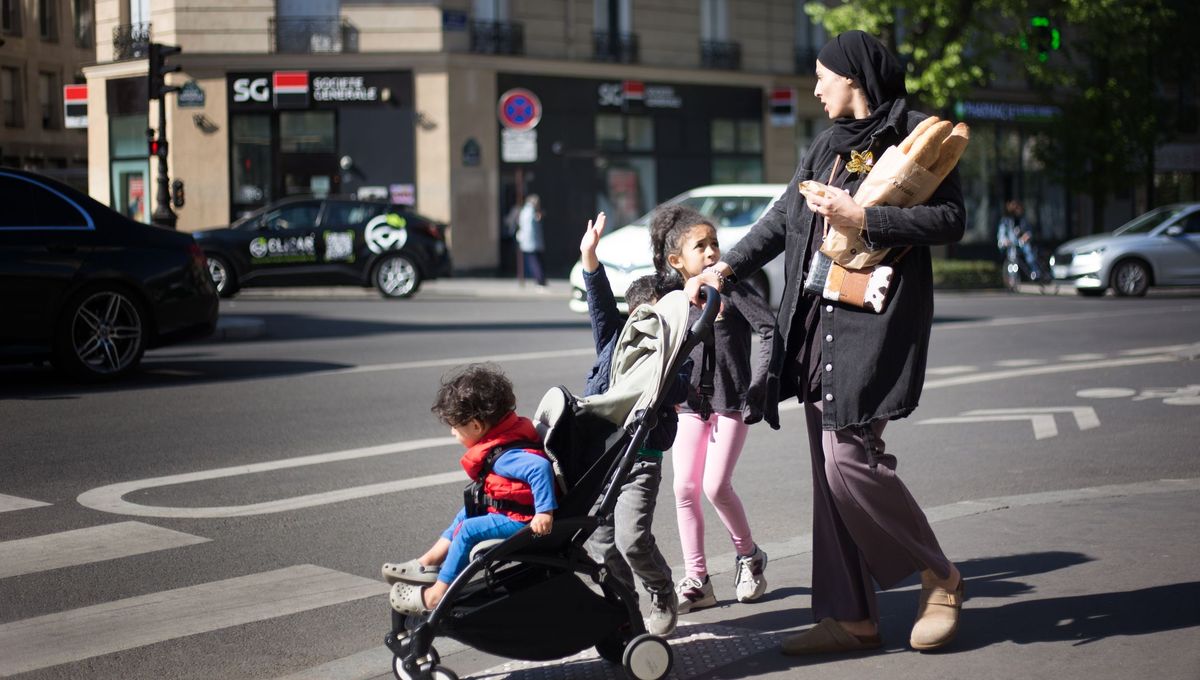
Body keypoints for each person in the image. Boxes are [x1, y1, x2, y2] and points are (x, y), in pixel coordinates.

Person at [685, 30, 966, 655]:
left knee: (850, 461)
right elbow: (784, 218)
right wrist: (723, 270)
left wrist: (864, 216)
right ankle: (852, 616)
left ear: (853, 78)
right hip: (815, 322)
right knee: (827, 473)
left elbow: (951, 219)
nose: (815, 89)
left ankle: (940, 577)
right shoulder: (825, 145)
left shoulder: (915, 132)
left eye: (822, 77)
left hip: (874, 320)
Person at [650, 204, 779, 614]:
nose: (710, 252)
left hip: (732, 403)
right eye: (699, 246)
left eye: (714, 244)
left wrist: (760, 382)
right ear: (677, 261)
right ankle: (698, 580)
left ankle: (749, 556)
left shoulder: (734, 287)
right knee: (684, 489)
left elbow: (768, 330)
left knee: (715, 486)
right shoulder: (674, 300)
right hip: (689, 407)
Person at [578, 212, 692, 637]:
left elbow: (681, 388)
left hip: (641, 458)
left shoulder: (674, 354)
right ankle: (626, 607)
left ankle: (662, 591)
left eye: (656, 323)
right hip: (602, 460)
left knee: (630, 537)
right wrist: (590, 255)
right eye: (640, 321)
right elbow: (598, 302)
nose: (646, 330)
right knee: (599, 543)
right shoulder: (613, 339)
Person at [383, 363, 557, 615]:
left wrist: (544, 512)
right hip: (511, 512)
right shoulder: (505, 436)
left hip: (523, 521)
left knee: (467, 529)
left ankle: (435, 596)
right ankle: (427, 563)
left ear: (476, 426)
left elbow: (538, 467)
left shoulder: (506, 456)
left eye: (455, 426)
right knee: (465, 514)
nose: (453, 432)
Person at [996, 199, 1041, 281]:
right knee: (1011, 256)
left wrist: (1027, 236)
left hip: (1021, 243)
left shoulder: (1023, 220)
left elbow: (1029, 231)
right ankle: (1011, 277)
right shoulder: (1005, 221)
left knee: (1028, 251)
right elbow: (1001, 233)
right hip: (1011, 244)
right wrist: (1004, 240)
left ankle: (1035, 271)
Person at [516, 194, 547, 288]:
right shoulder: (531, 212)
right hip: (531, 243)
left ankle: (540, 280)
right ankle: (540, 280)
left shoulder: (525, 211)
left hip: (529, 242)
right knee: (535, 263)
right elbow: (530, 229)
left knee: (535, 262)